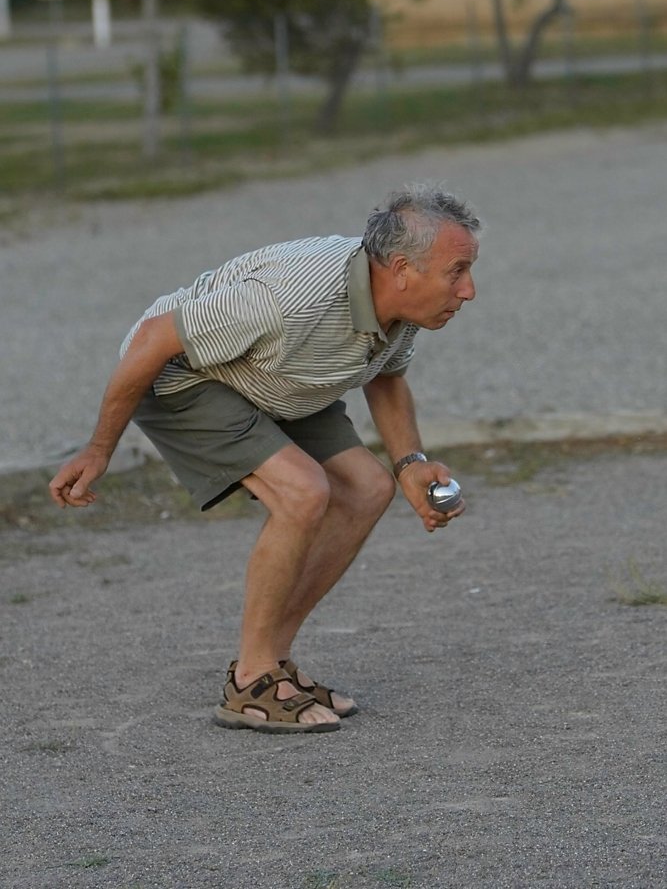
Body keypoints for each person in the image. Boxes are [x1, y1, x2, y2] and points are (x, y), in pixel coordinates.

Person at [49, 182, 480, 735]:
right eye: (457, 271)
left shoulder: (400, 307)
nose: (468, 290)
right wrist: (99, 447)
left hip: (278, 378)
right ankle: (249, 683)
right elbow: (156, 339)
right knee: (302, 491)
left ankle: (270, 664)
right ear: (401, 268)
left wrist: (410, 463)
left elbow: (388, 378)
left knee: (369, 488)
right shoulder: (291, 297)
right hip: (186, 375)